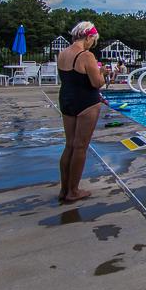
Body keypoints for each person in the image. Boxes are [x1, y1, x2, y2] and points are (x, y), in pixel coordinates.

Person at [57, 21, 105, 203]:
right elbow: (96, 83)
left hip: (66, 100)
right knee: (80, 147)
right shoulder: (86, 56)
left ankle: (64, 189)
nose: (93, 43)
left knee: (69, 145)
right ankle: (74, 191)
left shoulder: (62, 54)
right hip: (86, 103)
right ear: (88, 37)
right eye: (94, 40)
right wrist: (104, 74)